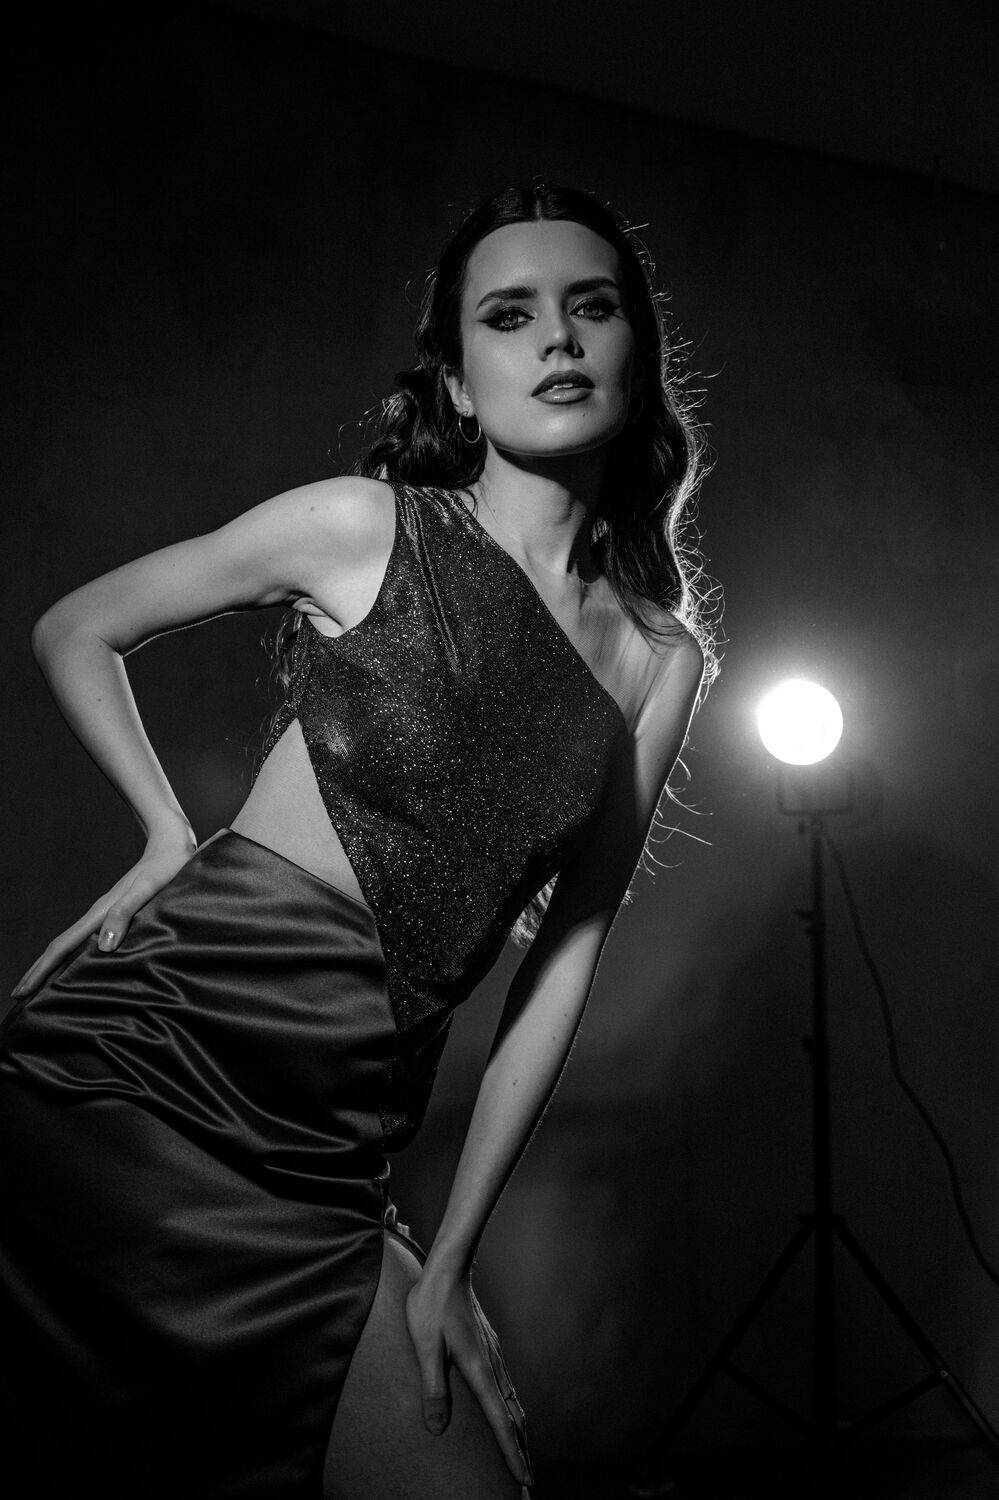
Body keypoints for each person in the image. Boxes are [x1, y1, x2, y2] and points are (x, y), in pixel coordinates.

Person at [0, 180, 719, 1499]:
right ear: (456, 384)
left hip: (329, 1154)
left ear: (635, 355)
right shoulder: (363, 525)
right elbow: (77, 627)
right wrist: (164, 832)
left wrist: (450, 1258)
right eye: (510, 316)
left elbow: (567, 959)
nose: (558, 338)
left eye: (592, 306)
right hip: (138, 1075)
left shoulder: (659, 660)